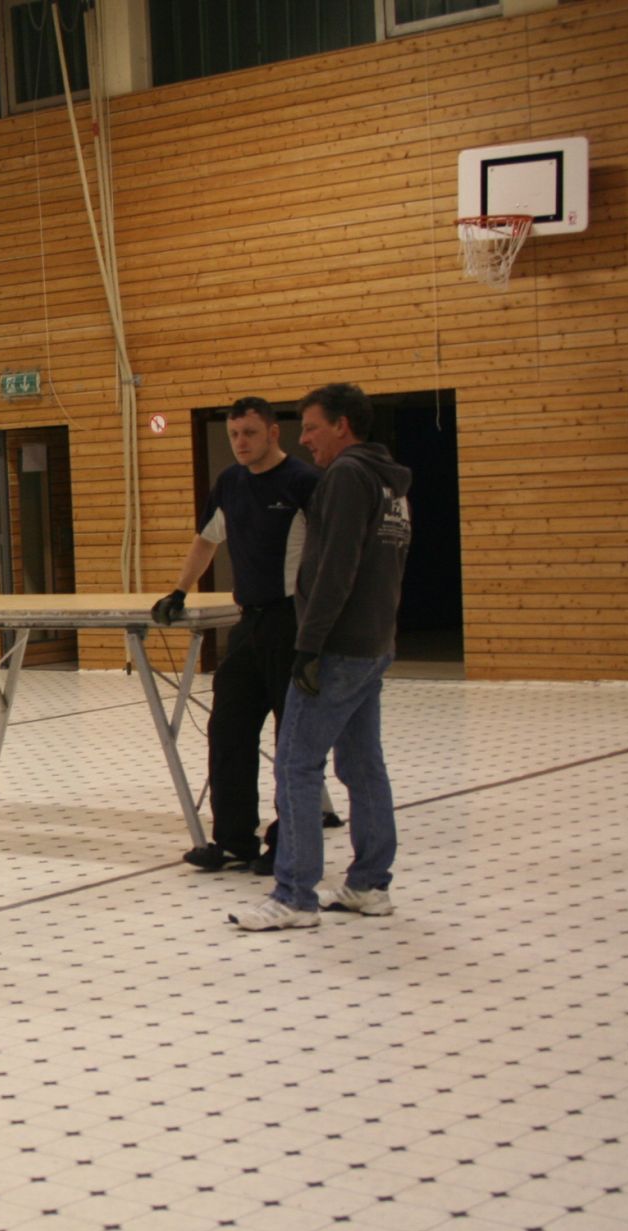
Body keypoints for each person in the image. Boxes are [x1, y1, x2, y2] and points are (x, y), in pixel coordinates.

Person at [232, 383, 412, 932]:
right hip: (372, 643)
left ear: (342, 425)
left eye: (312, 427)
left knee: (295, 763)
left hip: (336, 648)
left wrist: (308, 645)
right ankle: (369, 884)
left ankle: (294, 894)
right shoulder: (388, 480)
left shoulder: (348, 476)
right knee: (361, 764)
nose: (305, 439)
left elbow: (337, 567)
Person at [152, 397, 321, 874]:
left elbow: (331, 552)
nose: (240, 443)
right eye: (233, 435)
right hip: (248, 623)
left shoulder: (303, 482)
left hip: (292, 623)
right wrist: (179, 591)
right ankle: (233, 840)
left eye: (250, 433)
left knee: (292, 739)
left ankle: (289, 843)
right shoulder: (229, 483)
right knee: (228, 728)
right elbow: (207, 538)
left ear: (273, 433)